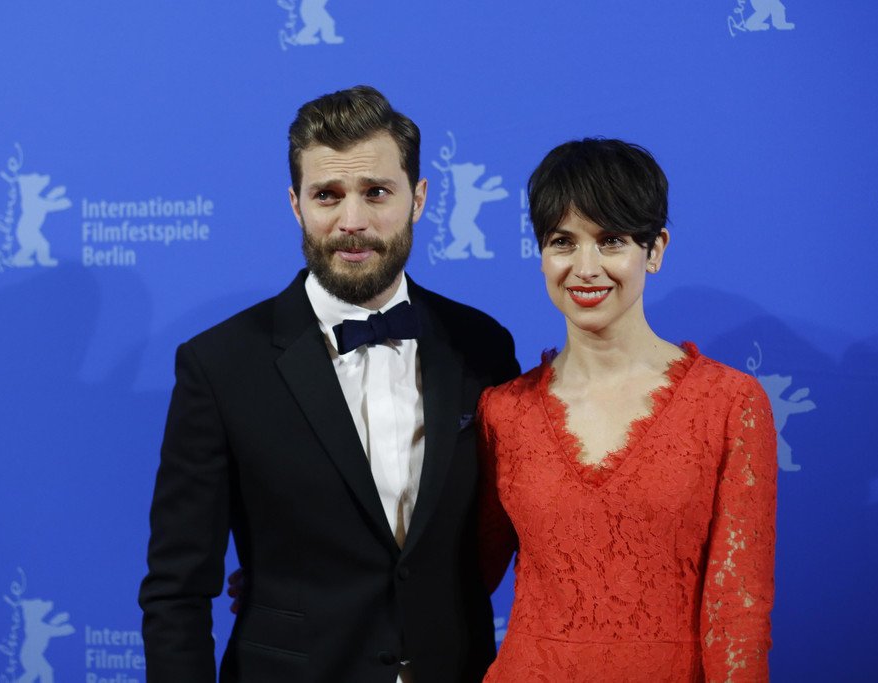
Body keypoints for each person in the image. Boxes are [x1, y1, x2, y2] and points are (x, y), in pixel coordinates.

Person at [138, 85, 519, 683]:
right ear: (296, 205)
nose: (352, 222)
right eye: (327, 195)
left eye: (376, 192)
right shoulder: (220, 365)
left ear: (419, 199)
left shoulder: (482, 345)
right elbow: (176, 590)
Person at [476, 138, 777, 682]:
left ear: (655, 250)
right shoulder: (503, 412)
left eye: (611, 241)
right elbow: (461, 578)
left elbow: (738, 612)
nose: (585, 268)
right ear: (541, 255)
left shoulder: (730, 404)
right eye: (563, 242)